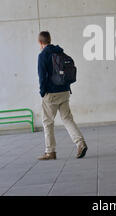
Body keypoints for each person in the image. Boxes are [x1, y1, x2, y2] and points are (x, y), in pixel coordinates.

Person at [37, 31, 87, 160]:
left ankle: (50, 151)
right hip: (64, 91)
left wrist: (43, 92)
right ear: (50, 40)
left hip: (51, 94)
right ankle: (80, 143)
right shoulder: (59, 52)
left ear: (40, 42)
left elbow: (42, 77)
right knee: (67, 119)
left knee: (47, 122)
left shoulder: (43, 55)